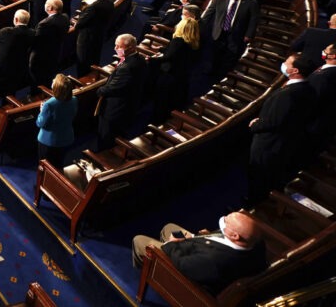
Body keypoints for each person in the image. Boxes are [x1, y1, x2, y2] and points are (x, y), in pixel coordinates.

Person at [131, 212, 266, 296]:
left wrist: (171, 244)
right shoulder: (256, 243)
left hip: (186, 271)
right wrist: (206, 236)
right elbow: (221, 243)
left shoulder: (213, 261)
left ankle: (148, 268)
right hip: (201, 252)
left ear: (235, 235)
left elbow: (183, 265)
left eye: (226, 222)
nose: (223, 219)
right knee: (170, 227)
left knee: (139, 240)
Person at [247, 53, 317, 203]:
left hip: (269, 144)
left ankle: (252, 205)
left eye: (287, 63)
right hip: (284, 142)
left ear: (295, 71)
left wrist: (255, 125)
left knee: (259, 176)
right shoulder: (308, 88)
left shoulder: (288, 94)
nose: (284, 64)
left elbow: (274, 122)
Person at [152, 5, 200, 123]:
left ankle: (158, 121)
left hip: (170, 74)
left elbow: (169, 57)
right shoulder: (193, 41)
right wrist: (162, 50)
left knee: (162, 99)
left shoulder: (178, 40)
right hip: (181, 75)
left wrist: (152, 59)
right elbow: (176, 53)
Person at [202, 0, 259, 75]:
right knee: (214, 53)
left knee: (229, 56)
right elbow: (209, 14)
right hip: (219, 32)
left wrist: (248, 35)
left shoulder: (251, 3)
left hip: (236, 34)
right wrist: (200, 26)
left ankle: (222, 74)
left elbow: (253, 21)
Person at [0, 9, 34, 108]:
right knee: (10, 90)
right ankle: (6, 107)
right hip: (19, 69)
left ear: (16, 19)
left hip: (0, 70)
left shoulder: (7, 31)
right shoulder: (32, 33)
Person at [36, 74, 78, 169]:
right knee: (58, 163)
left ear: (57, 88)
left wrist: (41, 111)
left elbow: (40, 123)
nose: (53, 80)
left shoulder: (49, 105)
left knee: (45, 167)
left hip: (49, 141)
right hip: (66, 138)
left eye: (54, 81)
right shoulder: (74, 100)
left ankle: (44, 183)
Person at [74, 0, 114, 73]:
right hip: (99, 36)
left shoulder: (94, 7)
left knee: (83, 62)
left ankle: (81, 81)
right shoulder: (109, 2)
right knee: (94, 59)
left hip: (86, 39)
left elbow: (80, 23)